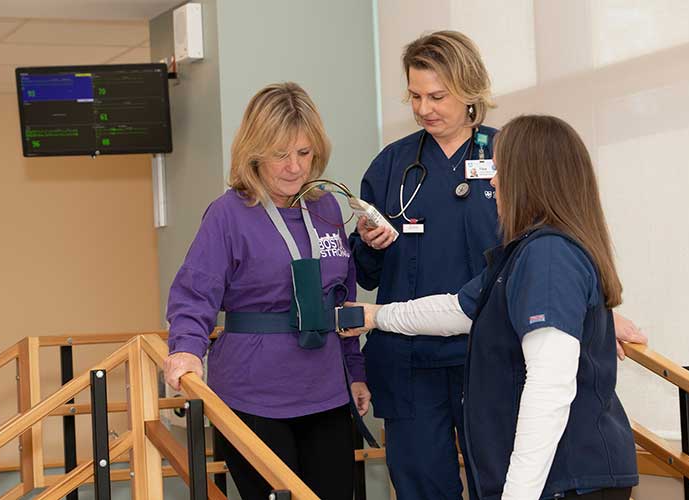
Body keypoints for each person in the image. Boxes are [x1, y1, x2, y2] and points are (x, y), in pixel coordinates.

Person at [349, 30, 645, 499]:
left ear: (470, 89)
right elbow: (363, 271)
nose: (425, 108)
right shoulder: (392, 165)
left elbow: (551, 261)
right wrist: (369, 243)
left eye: (438, 96)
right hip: (410, 359)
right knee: (422, 485)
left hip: (491, 357)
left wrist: (595, 315)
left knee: (503, 479)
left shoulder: (513, 157)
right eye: (415, 96)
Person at [163, 82, 370, 500]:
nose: (294, 167)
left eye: (304, 153)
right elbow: (194, 291)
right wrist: (185, 348)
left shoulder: (326, 207)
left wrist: (356, 373)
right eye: (280, 154)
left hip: (326, 390)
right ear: (255, 151)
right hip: (254, 395)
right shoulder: (228, 214)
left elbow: (341, 300)